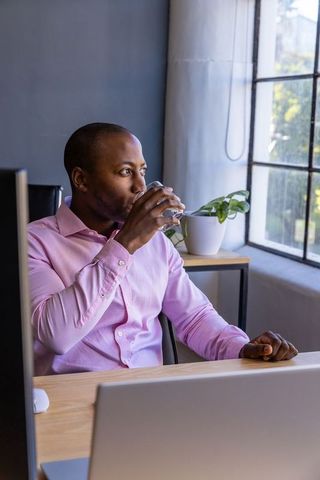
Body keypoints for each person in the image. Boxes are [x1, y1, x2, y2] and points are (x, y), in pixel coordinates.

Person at [28, 123, 298, 375]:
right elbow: (56, 335)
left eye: (142, 171)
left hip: (149, 396)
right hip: (68, 402)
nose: (140, 186)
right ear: (81, 180)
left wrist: (242, 348)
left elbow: (194, 317)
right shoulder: (33, 242)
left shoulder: (156, 242)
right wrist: (124, 244)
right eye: (125, 172)